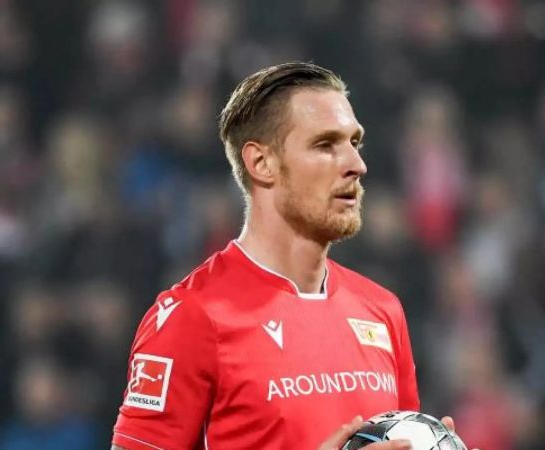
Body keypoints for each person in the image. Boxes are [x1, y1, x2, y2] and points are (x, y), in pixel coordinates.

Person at [111, 62, 448, 450]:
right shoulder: (193, 316)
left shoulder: (382, 310)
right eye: (325, 145)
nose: (357, 165)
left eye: (354, 143)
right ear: (262, 164)